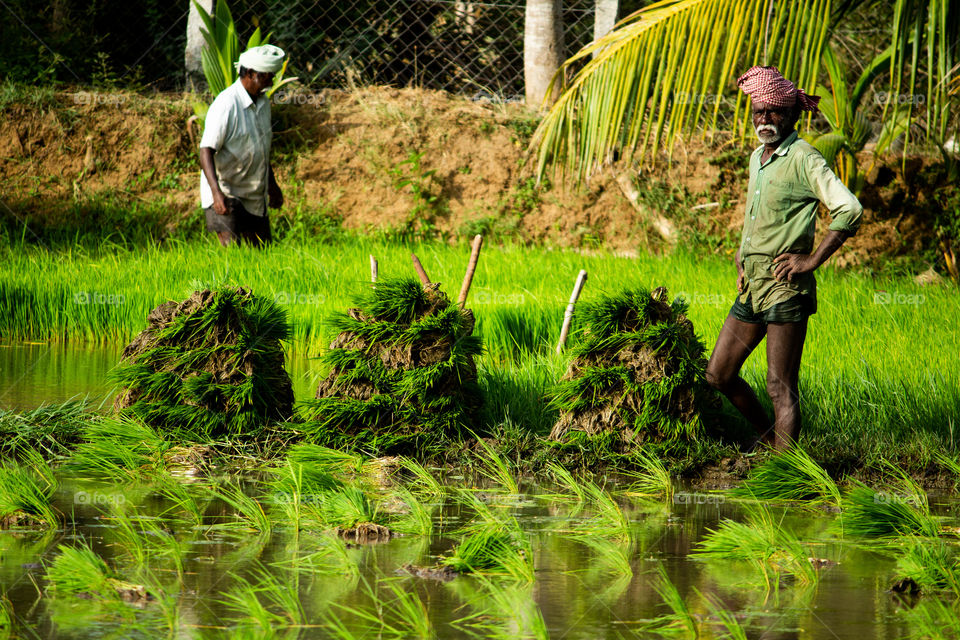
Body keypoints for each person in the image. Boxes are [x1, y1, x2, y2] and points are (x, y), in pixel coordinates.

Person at [705, 66, 863, 451]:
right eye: (758, 112)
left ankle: (785, 475)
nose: (765, 119)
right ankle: (768, 439)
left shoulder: (804, 157)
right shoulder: (757, 158)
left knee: (779, 386)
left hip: (785, 287)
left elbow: (850, 209)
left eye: (773, 112)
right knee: (719, 375)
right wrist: (742, 257)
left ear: (792, 113)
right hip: (752, 284)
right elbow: (756, 216)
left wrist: (810, 261)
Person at [198, 44, 286, 247]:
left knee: (262, 253)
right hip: (226, 190)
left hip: (254, 194)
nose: (271, 81)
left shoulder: (263, 104)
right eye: (267, 76)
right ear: (251, 73)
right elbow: (206, 151)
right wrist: (216, 193)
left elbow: (261, 151)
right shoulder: (226, 104)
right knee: (233, 254)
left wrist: (272, 186)